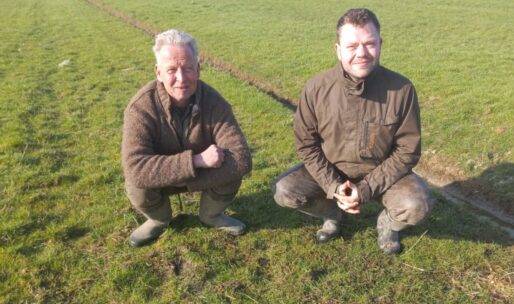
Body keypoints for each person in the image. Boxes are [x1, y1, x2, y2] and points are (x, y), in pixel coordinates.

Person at [271, 8, 431, 254]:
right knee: (284, 191)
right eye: (351, 45)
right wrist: (335, 187)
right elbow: (306, 145)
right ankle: (332, 213)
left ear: (381, 44)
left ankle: (387, 224)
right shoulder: (315, 88)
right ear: (337, 49)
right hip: (331, 169)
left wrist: (365, 189)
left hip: (381, 172)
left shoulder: (402, 89)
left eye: (369, 44)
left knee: (417, 205)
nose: (361, 53)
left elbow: (408, 151)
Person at [121, 29, 252, 246]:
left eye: (188, 68)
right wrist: (196, 161)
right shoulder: (140, 108)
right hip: (192, 172)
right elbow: (135, 168)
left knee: (233, 171)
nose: (181, 78)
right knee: (137, 185)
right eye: (171, 69)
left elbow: (242, 158)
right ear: (158, 72)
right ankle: (159, 219)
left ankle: (210, 216)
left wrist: (183, 171)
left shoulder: (215, 102)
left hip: (192, 174)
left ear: (198, 70)